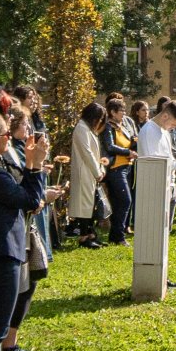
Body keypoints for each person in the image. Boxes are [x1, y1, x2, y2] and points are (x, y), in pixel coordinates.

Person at [0, 111, 47, 351]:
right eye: (4, 137)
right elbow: (28, 198)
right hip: (3, 249)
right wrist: (34, 166)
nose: (9, 140)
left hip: (9, 245)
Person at [68, 102, 107, 247]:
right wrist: (98, 171)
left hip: (91, 171)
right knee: (84, 205)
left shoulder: (88, 129)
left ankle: (91, 233)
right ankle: (84, 236)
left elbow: (95, 153)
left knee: (90, 205)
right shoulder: (81, 128)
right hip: (84, 171)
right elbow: (87, 152)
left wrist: (101, 168)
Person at [100, 97, 136, 244]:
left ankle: (115, 236)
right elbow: (109, 147)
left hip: (126, 168)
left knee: (119, 202)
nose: (124, 113)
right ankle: (119, 235)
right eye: (121, 110)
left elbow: (127, 143)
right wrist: (128, 153)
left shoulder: (122, 126)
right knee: (125, 200)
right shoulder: (108, 127)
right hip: (115, 169)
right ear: (113, 112)